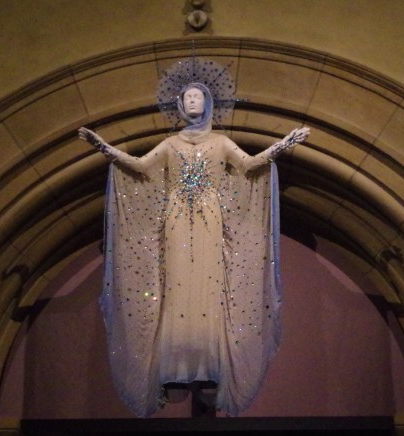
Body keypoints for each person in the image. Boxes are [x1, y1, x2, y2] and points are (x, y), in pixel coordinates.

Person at [79, 78, 309, 417]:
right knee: (177, 286)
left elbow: (249, 165)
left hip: (210, 218)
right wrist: (103, 147)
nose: (192, 102)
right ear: (179, 104)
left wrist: (283, 144)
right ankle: (176, 366)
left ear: (208, 103)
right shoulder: (171, 144)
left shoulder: (221, 142)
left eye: (197, 97)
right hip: (175, 219)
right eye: (187, 97)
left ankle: (207, 364)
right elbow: (141, 167)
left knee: (209, 286)